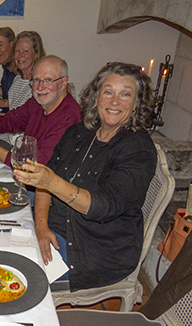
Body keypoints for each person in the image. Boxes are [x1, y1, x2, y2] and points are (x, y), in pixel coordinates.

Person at [14, 62, 157, 291]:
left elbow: (104, 207)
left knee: (15, 278)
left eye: (125, 94)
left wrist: (52, 182)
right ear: (96, 97)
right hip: (52, 227)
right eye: (108, 92)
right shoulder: (78, 133)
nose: (114, 101)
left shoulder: (138, 149)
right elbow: (45, 184)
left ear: (137, 104)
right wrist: (40, 226)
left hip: (93, 248)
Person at [0, 55, 81, 167]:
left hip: (41, 184)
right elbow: (9, 121)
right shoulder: (36, 103)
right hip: (25, 173)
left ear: (64, 82)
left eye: (48, 80)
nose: (40, 87)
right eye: (36, 80)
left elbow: (37, 165)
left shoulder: (70, 117)